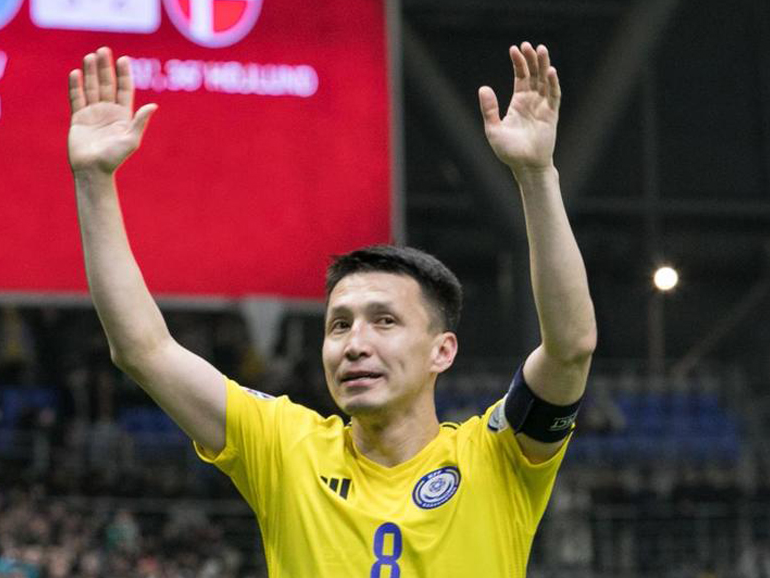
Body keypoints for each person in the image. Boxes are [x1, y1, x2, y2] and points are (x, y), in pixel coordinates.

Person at [66, 43, 596, 576]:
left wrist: (536, 175)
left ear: (442, 350)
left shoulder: (497, 457)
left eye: (384, 321)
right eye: (339, 325)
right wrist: (93, 180)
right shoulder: (285, 450)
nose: (355, 344)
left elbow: (570, 349)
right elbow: (144, 350)